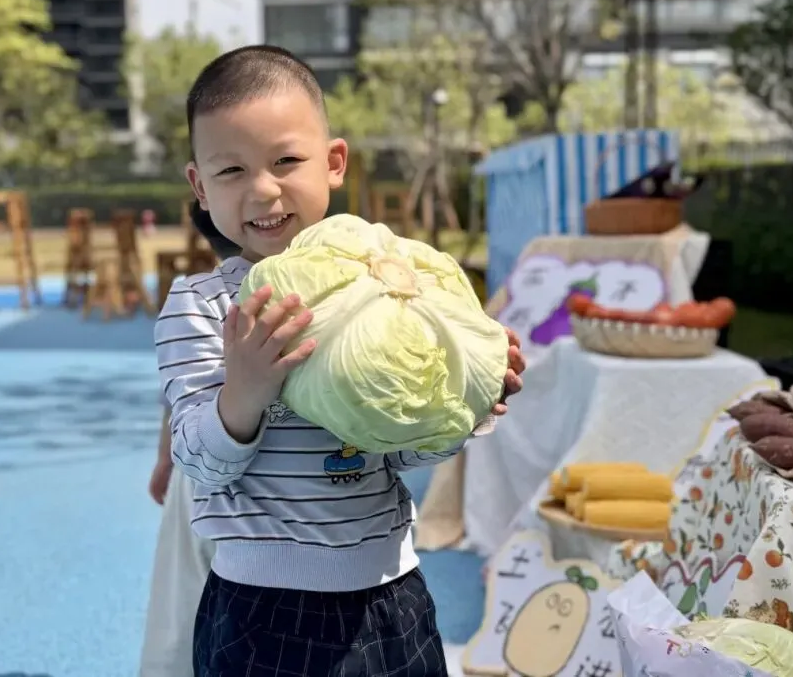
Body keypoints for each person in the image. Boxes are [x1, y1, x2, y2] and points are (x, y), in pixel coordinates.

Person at [156, 45, 526, 676]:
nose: (263, 189)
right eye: (232, 170)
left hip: (391, 596)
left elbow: (400, 452)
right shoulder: (201, 306)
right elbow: (198, 464)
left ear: (333, 163)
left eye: (285, 161)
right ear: (200, 187)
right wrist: (243, 391)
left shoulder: (381, 289)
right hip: (260, 610)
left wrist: (467, 406)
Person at [139, 216, 241, 677]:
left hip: (198, 468)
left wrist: (165, 458)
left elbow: (177, 392)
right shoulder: (200, 297)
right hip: (226, 469)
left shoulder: (196, 299)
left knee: (184, 599)